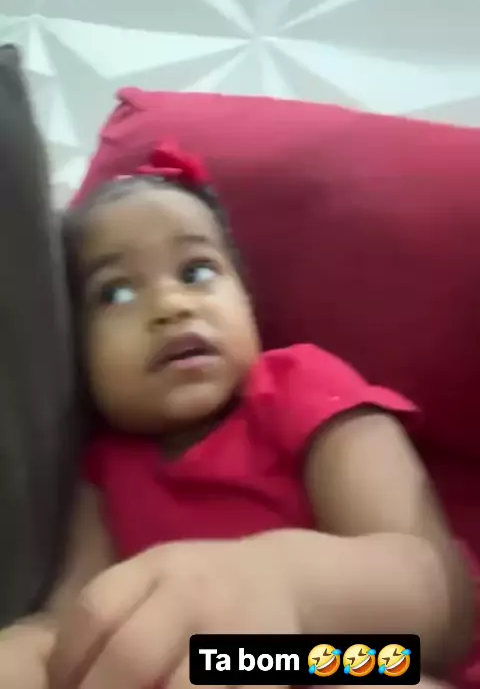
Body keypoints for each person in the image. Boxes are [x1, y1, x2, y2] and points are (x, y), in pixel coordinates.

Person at [0, 143, 473, 689]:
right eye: (117, 292)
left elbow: (443, 600)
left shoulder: (303, 387)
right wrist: (26, 653)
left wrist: (280, 582)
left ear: (246, 299)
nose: (172, 306)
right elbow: (72, 628)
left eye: (197, 271)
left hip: (351, 659)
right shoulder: (100, 467)